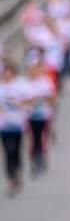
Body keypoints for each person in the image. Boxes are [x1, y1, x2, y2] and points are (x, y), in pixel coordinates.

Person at [23, 51, 55, 178]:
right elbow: (21, 100)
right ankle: (33, 159)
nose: (34, 71)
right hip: (29, 115)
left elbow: (51, 98)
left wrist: (43, 98)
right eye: (31, 69)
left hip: (43, 115)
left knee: (41, 137)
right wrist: (33, 99)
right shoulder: (23, 83)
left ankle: (41, 157)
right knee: (32, 138)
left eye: (36, 69)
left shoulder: (45, 81)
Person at [0, 59, 27, 196]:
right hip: (4, 125)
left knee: (16, 150)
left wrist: (18, 103)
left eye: (9, 72)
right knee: (7, 152)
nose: (7, 75)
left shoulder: (20, 86)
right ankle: (11, 178)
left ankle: (18, 171)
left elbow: (27, 102)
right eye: (5, 73)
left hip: (18, 123)